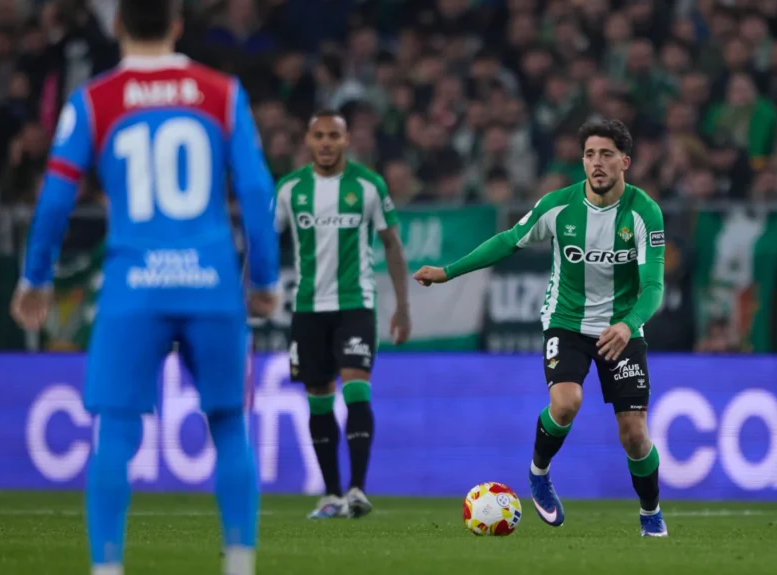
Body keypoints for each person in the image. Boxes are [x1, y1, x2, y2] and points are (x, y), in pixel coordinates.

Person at [9, 1, 278, 573]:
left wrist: (36, 277)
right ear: (177, 25)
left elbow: (54, 200)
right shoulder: (222, 93)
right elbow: (256, 192)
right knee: (230, 426)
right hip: (211, 283)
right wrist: (263, 279)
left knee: (115, 431)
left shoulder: (94, 101)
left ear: (116, 26)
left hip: (134, 286)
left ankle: (107, 568)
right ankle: (239, 565)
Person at [414, 119, 668, 537]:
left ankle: (650, 512)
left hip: (621, 328)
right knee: (566, 403)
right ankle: (539, 473)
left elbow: (654, 285)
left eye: (606, 154)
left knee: (635, 434)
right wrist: (448, 271)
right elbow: (508, 240)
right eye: (589, 154)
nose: (596, 163)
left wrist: (629, 324)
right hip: (566, 322)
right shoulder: (558, 206)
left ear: (625, 162)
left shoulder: (644, 212)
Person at [274, 110, 412, 519]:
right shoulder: (289, 189)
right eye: (318, 135)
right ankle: (332, 494)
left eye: (333, 136)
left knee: (355, 388)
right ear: (308, 140)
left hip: (355, 304)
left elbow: (392, 244)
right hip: (307, 308)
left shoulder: (369, 185)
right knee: (318, 398)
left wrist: (403, 306)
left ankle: (357, 489)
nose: (326, 143)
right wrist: (251, 290)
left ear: (347, 140)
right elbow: (263, 242)